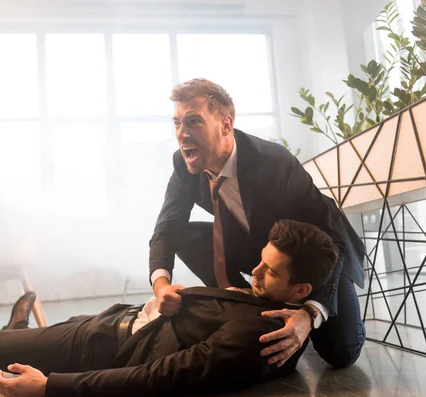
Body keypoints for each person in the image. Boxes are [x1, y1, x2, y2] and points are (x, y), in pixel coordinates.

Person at [0, 220, 338, 397]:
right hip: (113, 320)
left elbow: (159, 378)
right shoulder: (271, 305)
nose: (255, 269)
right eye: (261, 259)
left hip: (102, 346)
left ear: (301, 289)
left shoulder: (259, 336)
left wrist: (49, 389)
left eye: (270, 270)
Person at [150, 78, 366, 368]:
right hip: (260, 250)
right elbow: (167, 226)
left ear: (226, 125)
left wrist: (308, 313)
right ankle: (251, 308)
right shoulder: (185, 165)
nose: (181, 133)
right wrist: (161, 285)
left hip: (317, 256)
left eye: (193, 122)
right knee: (185, 235)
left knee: (340, 352)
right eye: (177, 123)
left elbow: (331, 239)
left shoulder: (274, 163)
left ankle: (299, 314)